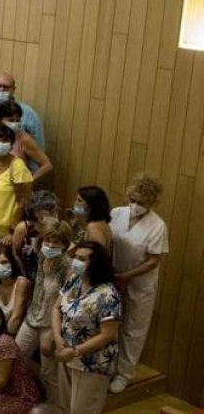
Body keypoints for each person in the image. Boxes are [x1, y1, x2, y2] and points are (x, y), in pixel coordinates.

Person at [108, 172, 168, 393]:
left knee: (133, 330)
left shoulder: (157, 226)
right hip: (113, 278)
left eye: (141, 203)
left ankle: (124, 374)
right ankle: (109, 367)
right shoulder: (116, 213)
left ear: (152, 203)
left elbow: (154, 261)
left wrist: (127, 276)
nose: (135, 206)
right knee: (109, 324)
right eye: (132, 200)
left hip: (139, 284)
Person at [52, 241, 121, 414]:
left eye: (82, 259)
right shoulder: (74, 280)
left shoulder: (108, 294)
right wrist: (58, 338)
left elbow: (108, 334)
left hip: (91, 362)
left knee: (83, 410)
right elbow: (56, 308)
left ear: (95, 264)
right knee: (66, 406)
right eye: (75, 257)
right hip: (66, 353)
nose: (75, 261)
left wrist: (75, 351)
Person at [15, 220, 72, 403]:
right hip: (33, 317)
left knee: (50, 372)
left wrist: (54, 335)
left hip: (51, 323)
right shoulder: (41, 256)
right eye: (47, 240)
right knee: (16, 358)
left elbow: (66, 304)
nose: (50, 245)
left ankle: (57, 407)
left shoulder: (68, 267)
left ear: (64, 244)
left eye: (56, 242)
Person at [0, 73, 45, 147]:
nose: (1, 89)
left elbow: (39, 145)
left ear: (13, 90)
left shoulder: (29, 114)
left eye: (6, 87)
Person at [0, 102, 53, 181]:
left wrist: (28, 182)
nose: (15, 123)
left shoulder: (25, 140)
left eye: (17, 120)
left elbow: (47, 165)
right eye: (11, 120)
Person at [0, 243, 32, 336]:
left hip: (20, 331)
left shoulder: (21, 283)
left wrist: (4, 340)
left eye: (4, 262)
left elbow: (17, 317)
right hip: (0, 331)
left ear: (12, 263)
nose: (1, 266)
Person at [72, 185, 113, 252]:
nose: (75, 203)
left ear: (91, 205)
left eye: (79, 201)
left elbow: (96, 257)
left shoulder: (93, 228)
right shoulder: (101, 222)